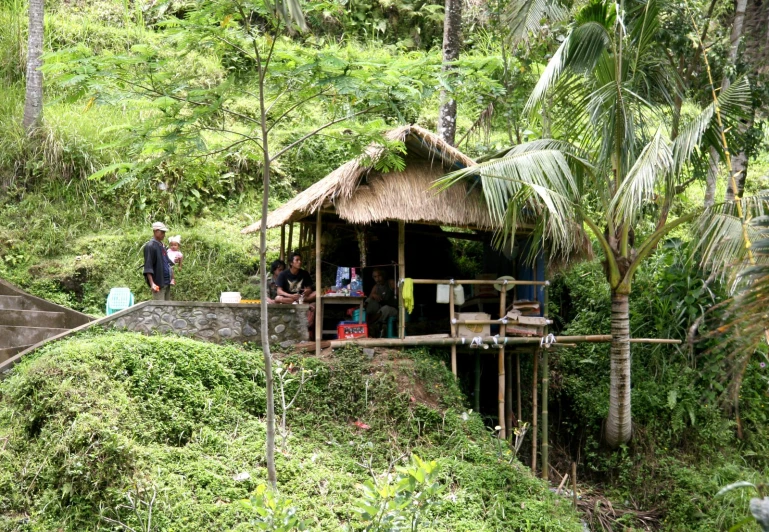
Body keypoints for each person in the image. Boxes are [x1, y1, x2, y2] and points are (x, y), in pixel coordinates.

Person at [143, 221, 174, 300]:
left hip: (166, 283)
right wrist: (152, 284)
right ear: (156, 231)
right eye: (162, 232)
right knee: (160, 310)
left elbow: (165, 261)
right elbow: (148, 266)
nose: (164, 234)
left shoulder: (161, 245)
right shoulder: (150, 246)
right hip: (158, 284)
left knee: (167, 309)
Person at [365, 268, 397, 337]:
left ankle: (370, 324)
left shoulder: (390, 283)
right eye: (375, 277)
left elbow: (401, 294)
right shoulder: (376, 287)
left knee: (385, 309)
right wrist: (373, 295)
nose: (377, 279)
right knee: (370, 302)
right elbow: (369, 300)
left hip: (393, 309)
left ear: (383, 275)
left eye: (379, 276)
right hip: (380, 309)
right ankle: (367, 323)